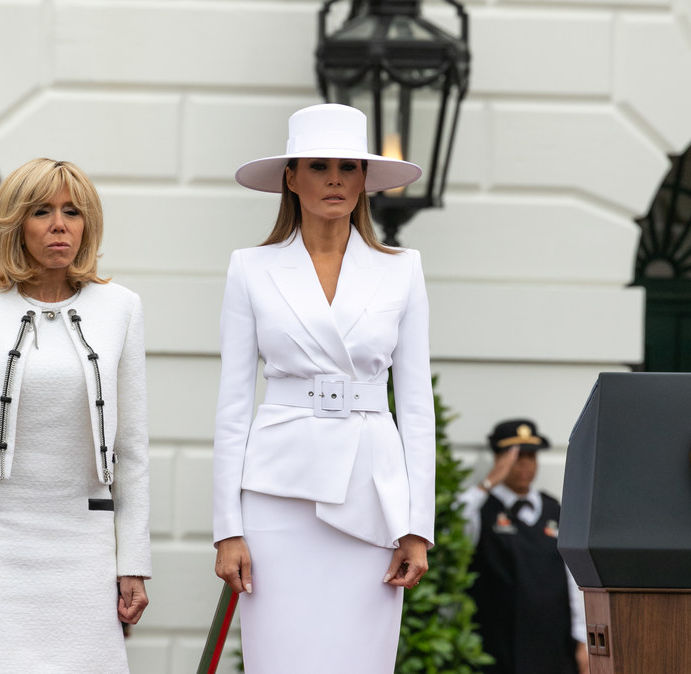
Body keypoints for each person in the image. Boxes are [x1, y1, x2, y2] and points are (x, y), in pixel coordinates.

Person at [212, 103, 435, 673]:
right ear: (291, 178)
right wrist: (227, 530)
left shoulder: (403, 269)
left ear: (364, 181)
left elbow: (414, 405)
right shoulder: (250, 268)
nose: (334, 179)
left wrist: (418, 527)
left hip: (371, 493)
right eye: (317, 165)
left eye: (348, 167)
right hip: (277, 495)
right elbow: (234, 404)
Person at [0, 158, 151, 673]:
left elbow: (132, 451)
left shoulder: (122, 309)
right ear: (14, 222)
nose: (59, 225)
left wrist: (133, 563)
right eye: (42, 211)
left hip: (84, 542)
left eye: (72, 211)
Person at [461, 419, 588, 674]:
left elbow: (573, 578)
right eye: (516, 456)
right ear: (499, 458)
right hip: (498, 649)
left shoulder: (553, 509)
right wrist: (488, 483)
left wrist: (582, 639)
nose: (525, 464)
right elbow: (450, 526)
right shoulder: (481, 508)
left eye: (531, 456)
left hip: (554, 647)